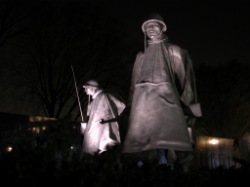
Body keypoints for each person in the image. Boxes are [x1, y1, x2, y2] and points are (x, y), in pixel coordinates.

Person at [122, 13, 202, 171]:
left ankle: (183, 171)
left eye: (154, 25)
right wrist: (130, 105)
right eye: (147, 27)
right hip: (143, 102)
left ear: (162, 28)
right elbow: (133, 83)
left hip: (167, 99)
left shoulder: (174, 51)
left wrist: (189, 104)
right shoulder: (141, 56)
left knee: (175, 138)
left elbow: (187, 78)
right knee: (141, 140)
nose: (150, 29)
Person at [80, 79, 126, 156]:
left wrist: (109, 118)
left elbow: (121, 106)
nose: (85, 90)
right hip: (93, 134)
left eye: (86, 88)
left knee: (106, 152)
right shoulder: (91, 104)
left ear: (93, 88)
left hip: (105, 133)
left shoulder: (105, 96)